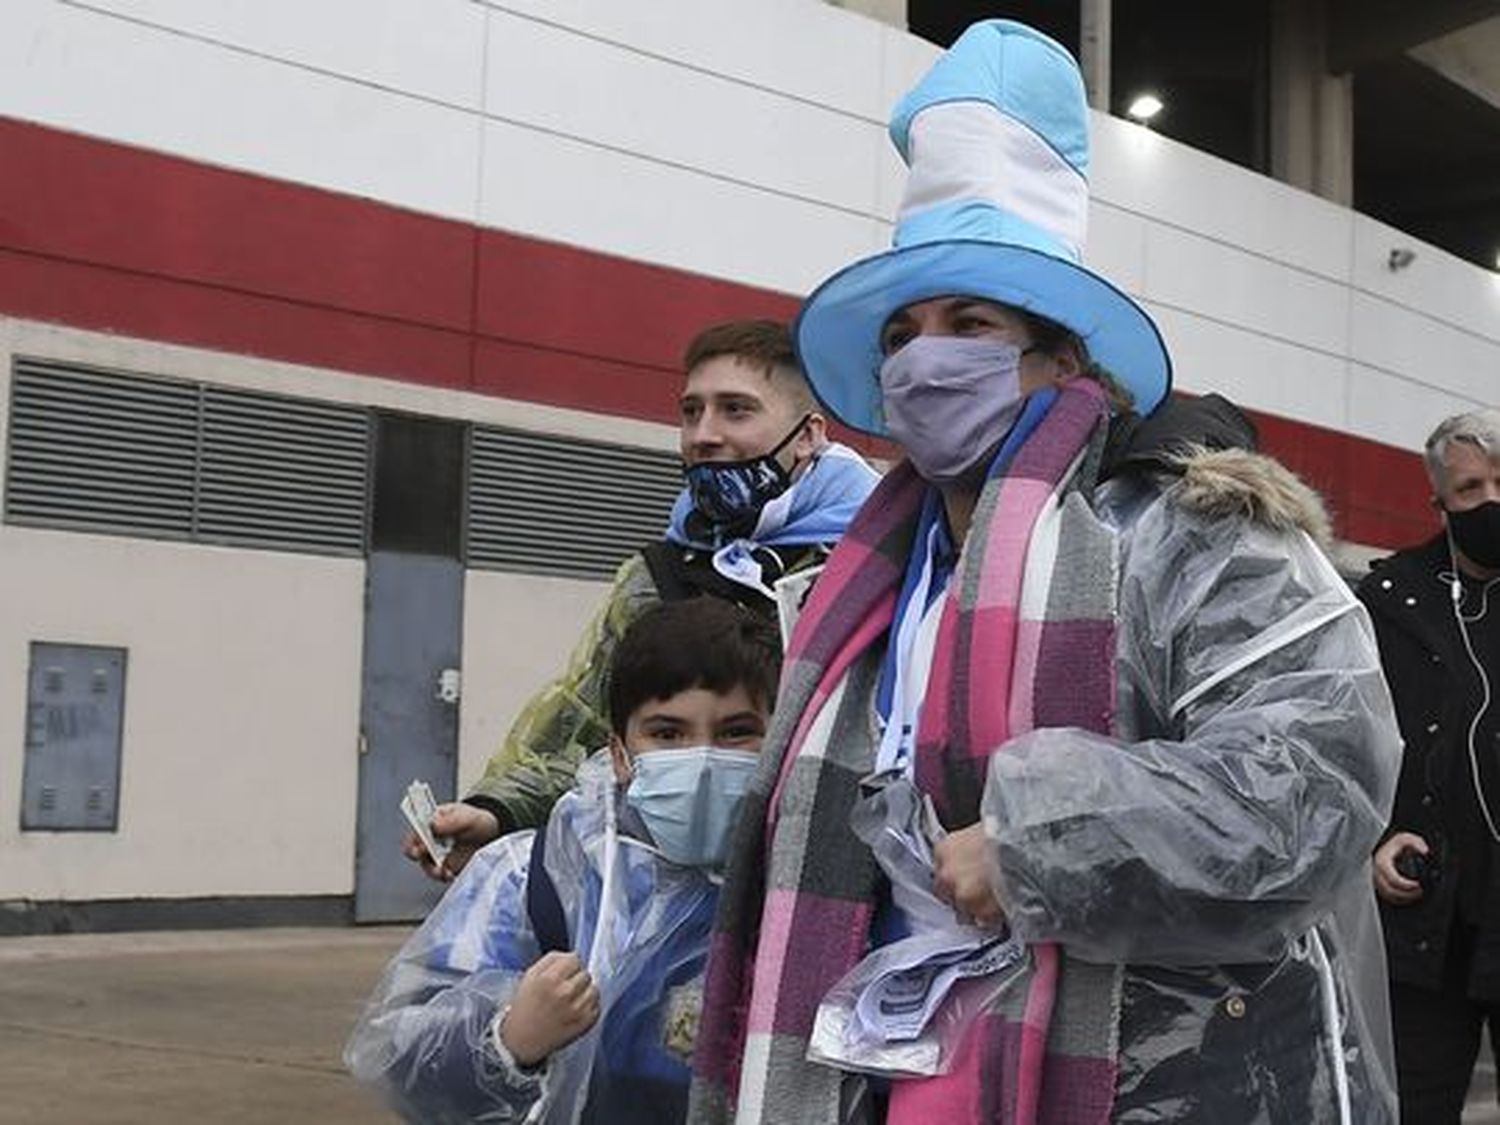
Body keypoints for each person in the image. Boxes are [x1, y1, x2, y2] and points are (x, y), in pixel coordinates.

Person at [686, 20, 1402, 1125]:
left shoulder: (1195, 531)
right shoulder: (864, 583)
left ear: (1064, 360)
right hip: (894, 1068)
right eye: (905, 332)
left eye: (970, 323)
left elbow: (1320, 783)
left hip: (1161, 1077)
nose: (927, 355)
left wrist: (1040, 839)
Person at [404, 319, 879, 879]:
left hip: (824, 888)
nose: (704, 434)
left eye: (736, 409)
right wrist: (494, 812)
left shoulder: (876, 564)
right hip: (660, 893)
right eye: (690, 411)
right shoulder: (656, 578)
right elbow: (576, 727)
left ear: (808, 435)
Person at [348, 597, 782, 1124]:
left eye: (737, 732)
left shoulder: (810, 890)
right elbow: (400, 1058)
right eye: (667, 734)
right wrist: (508, 1039)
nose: (704, 760)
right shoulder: (534, 880)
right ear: (620, 754)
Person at [1361, 409, 1500, 1123]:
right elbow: (1347, 742)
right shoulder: (1386, 602)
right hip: (1428, 926)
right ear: (1440, 503)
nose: (1491, 502)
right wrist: (1373, 837)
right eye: (1471, 489)